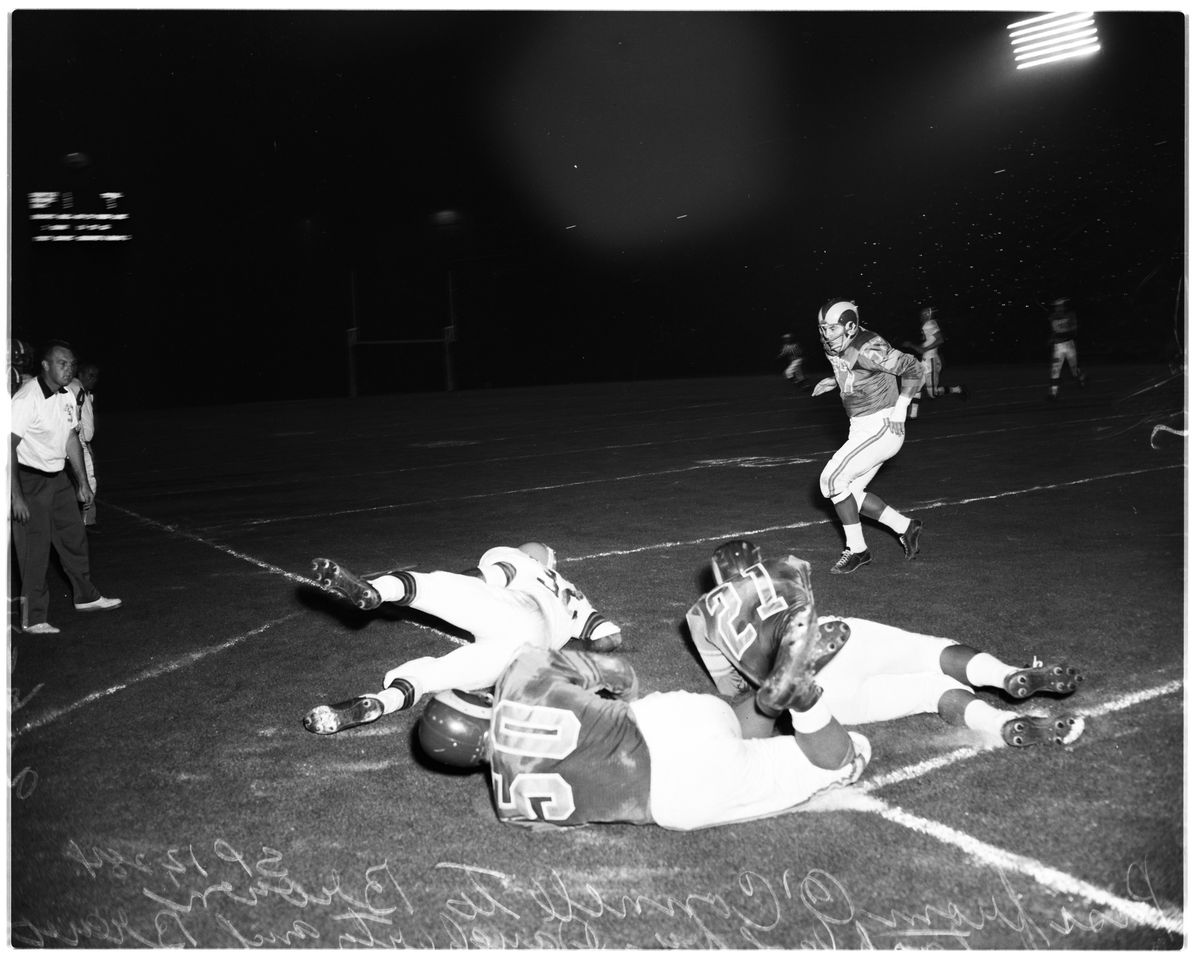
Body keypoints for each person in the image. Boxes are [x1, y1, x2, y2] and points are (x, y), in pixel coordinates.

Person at [415, 641, 871, 830]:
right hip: (668, 720)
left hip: (675, 797)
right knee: (845, 754)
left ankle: (796, 704)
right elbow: (618, 672)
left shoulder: (508, 808)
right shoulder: (519, 676)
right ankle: (785, 701)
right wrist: (627, 701)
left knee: (827, 759)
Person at [686, 540, 1085, 748]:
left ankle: (1001, 725)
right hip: (834, 640)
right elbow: (798, 578)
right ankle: (1008, 674)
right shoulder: (784, 565)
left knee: (930, 693)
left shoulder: (700, 615)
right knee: (932, 654)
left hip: (815, 697)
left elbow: (730, 687)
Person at [302, 542, 622, 734]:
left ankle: (377, 592)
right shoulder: (578, 599)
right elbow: (609, 639)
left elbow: (477, 578)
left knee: (428, 586)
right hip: (529, 657)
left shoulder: (522, 562)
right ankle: (381, 703)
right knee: (432, 678)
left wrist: (458, 591)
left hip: (520, 613)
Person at [10, 341, 122, 634]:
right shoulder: (26, 399)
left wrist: (82, 483)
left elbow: (71, 439)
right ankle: (34, 618)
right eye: (62, 363)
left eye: (72, 364)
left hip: (57, 478)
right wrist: (16, 496)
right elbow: (7, 447)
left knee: (74, 538)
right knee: (34, 551)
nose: (69, 368)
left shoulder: (68, 396)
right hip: (29, 479)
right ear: (45, 365)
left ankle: (86, 596)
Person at [812, 298, 925, 574]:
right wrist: (835, 381)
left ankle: (858, 550)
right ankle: (906, 526)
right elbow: (854, 370)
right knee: (849, 492)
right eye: (823, 329)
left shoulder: (868, 346)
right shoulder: (836, 345)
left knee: (832, 480)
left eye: (832, 329)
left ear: (851, 327)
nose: (827, 335)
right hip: (861, 426)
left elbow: (914, 368)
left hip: (883, 425)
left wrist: (901, 409)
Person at [902, 307, 965, 419]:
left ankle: (957, 389)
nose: (921, 316)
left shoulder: (929, 324)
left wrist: (919, 347)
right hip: (926, 360)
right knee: (916, 386)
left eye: (923, 314)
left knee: (933, 394)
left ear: (927, 315)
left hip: (931, 361)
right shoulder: (929, 324)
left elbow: (940, 339)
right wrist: (916, 346)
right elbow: (930, 343)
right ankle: (913, 415)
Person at [70, 362, 100, 528]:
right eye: (90, 375)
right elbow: (87, 430)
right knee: (87, 482)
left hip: (71, 441)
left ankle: (87, 520)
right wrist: (86, 444)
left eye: (95, 376)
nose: (93, 379)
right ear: (80, 374)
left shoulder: (74, 388)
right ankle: (85, 522)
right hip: (75, 442)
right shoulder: (77, 389)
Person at [1046, 297, 1086, 399]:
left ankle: (1081, 378)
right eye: (1056, 307)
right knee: (1055, 370)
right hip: (1058, 347)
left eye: (1060, 306)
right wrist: (1052, 338)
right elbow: (1054, 331)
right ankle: (1053, 393)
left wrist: (1063, 332)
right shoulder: (1053, 317)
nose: (1058, 308)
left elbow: (1073, 330)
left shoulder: (1070, 315)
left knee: (1074, 369)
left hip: (1069, 345)